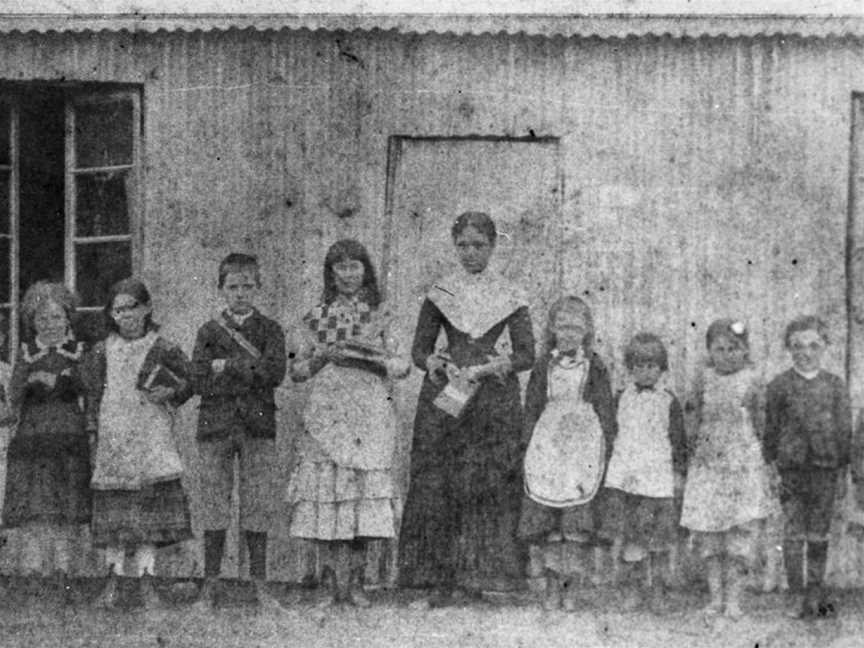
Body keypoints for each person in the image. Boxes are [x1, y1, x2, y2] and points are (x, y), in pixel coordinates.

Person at [398, 211, 535, 605]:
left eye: (479, 245)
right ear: (454, 246)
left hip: (492, 393)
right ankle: (439, 579)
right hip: (452, 389)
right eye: (463, 245)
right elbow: (419, 350)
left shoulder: (510, 293)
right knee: (441, 480)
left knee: (486, 480)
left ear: (493, 246)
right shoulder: (443, 292)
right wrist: (437, 363)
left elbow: (527, 353)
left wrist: (496, 365)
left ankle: (481, 576)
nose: (471, 253)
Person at [287, 239, 410, 606]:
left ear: (366, 270)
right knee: (328, 493)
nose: (347, 273)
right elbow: (297, 370)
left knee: (361, 495)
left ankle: (356, 581)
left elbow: (402, 365)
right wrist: (322, 356)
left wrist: (377, 358)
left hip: (369, 407)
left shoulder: (381, 314)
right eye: (339, 266)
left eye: (354, 266)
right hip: (329, 407)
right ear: (330, 272)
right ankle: (328, 581)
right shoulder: (316, 315)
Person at [82, 278, 194, 610]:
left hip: (151, 435)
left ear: (146, 309)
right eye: (118, 309)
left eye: (133, 307)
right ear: (111, 314)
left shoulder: (163, 347)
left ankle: (147, 582)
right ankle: (114, 583)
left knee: (149, 516)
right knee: (116, 515)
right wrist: (93, 430)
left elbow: (191, 380)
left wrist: (171, 392)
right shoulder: (102, 349)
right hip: (115, 437)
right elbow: (90, 391)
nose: (126, 315)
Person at [191, 253, 287, 610]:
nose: (241, 293)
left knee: (257, 505)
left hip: (258, 425)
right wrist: (248, 369)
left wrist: (226, 365)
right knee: (214, 505)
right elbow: (198, 378)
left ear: (258, 287)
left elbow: (275, 373)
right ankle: (211, 585)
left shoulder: (271, 329)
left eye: (248, 286)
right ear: (221, 289)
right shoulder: (208, 330)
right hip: (215, 426)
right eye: (233, 286)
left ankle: (260, 586)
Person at [518, 296, 616, 611]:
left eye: (576, 327)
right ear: (552, 329)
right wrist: (527, 442)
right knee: (548, 520)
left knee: (574, 522)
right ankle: (550, 588)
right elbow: (532, 405)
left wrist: (607, 445)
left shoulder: (595, 366)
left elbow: (605, 409)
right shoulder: (544, 365)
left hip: (581, 447)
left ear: (586, 330)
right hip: (549, 445)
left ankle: (570, 588)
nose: (569, 333)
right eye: (563, 326)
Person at [680, 319, 776, 620]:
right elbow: (693, 420)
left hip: (741, 465)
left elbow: (761, 423)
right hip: (709, 466)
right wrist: (693, 455)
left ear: (745, 350)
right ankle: (715, 598)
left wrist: (760, 460)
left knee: (738, 536)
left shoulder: (752, 380)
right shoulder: (703, 379)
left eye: (734, 348)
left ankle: (734, 600)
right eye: (719, 349)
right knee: (710, 536)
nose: (726, 355)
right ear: (709, 351)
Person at [1, 282, 90, 598]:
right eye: (42, 319)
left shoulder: (78, 352)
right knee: (37, 508)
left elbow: (90, 390)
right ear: (32, 323)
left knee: (66, 506)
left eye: (55, 318)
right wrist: (31, 381)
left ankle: (66, 574)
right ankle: (35, 574)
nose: (49, 325)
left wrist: (70, 378)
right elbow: (12, 398)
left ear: (67, 318)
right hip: (34, 439)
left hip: (68, 436)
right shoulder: (26, 355)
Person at [765, 315, 852, 619]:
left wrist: (842, 473)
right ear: (788, 349)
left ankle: (814, 593)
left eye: (813, 346)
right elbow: (770, 432)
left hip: (825, 471)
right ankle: (795, 594)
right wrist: (772, 470)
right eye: (797, 346)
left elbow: (844, 433)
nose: (805, 352)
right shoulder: (778, 386)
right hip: (791, 471)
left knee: (818, 534)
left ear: (824, 347)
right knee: (792, 534)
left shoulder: (835, 386)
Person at [601, 332, 686, 611]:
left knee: (659, 540)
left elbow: (678, 441)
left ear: (661, 369)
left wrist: (678, 474)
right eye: (639, 366)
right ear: (630, 368)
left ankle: (658, 591)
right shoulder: (620, 398)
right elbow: (611, 435)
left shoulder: (668, 401)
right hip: (627, 479)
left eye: (651, 366)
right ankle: (632, 590)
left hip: (657, 479)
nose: (645, 372)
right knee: (631, 537)